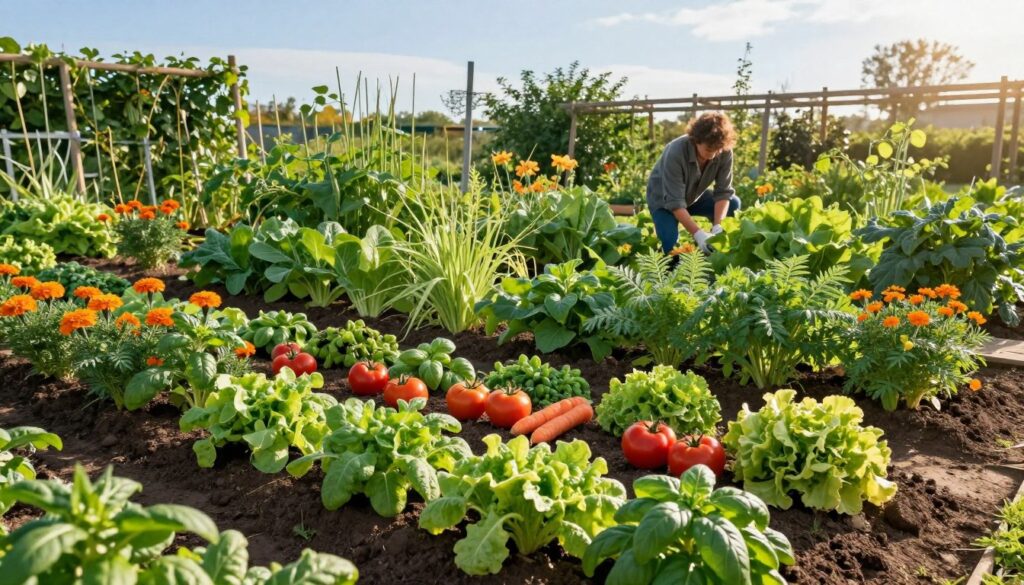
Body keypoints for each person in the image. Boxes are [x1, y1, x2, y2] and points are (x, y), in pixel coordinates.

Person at [646, 111, 741, 254]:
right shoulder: (676, 151)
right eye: (709, 149)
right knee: (671, 250)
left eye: (717, 149)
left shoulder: (724, 150)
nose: (714, 154)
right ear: (696, 140)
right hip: (664, 201)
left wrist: (718, 226)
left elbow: (723, 192)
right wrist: (698, 234)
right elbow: (675, 202)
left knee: (733, 204)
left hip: (692, 198)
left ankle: (718, 245)